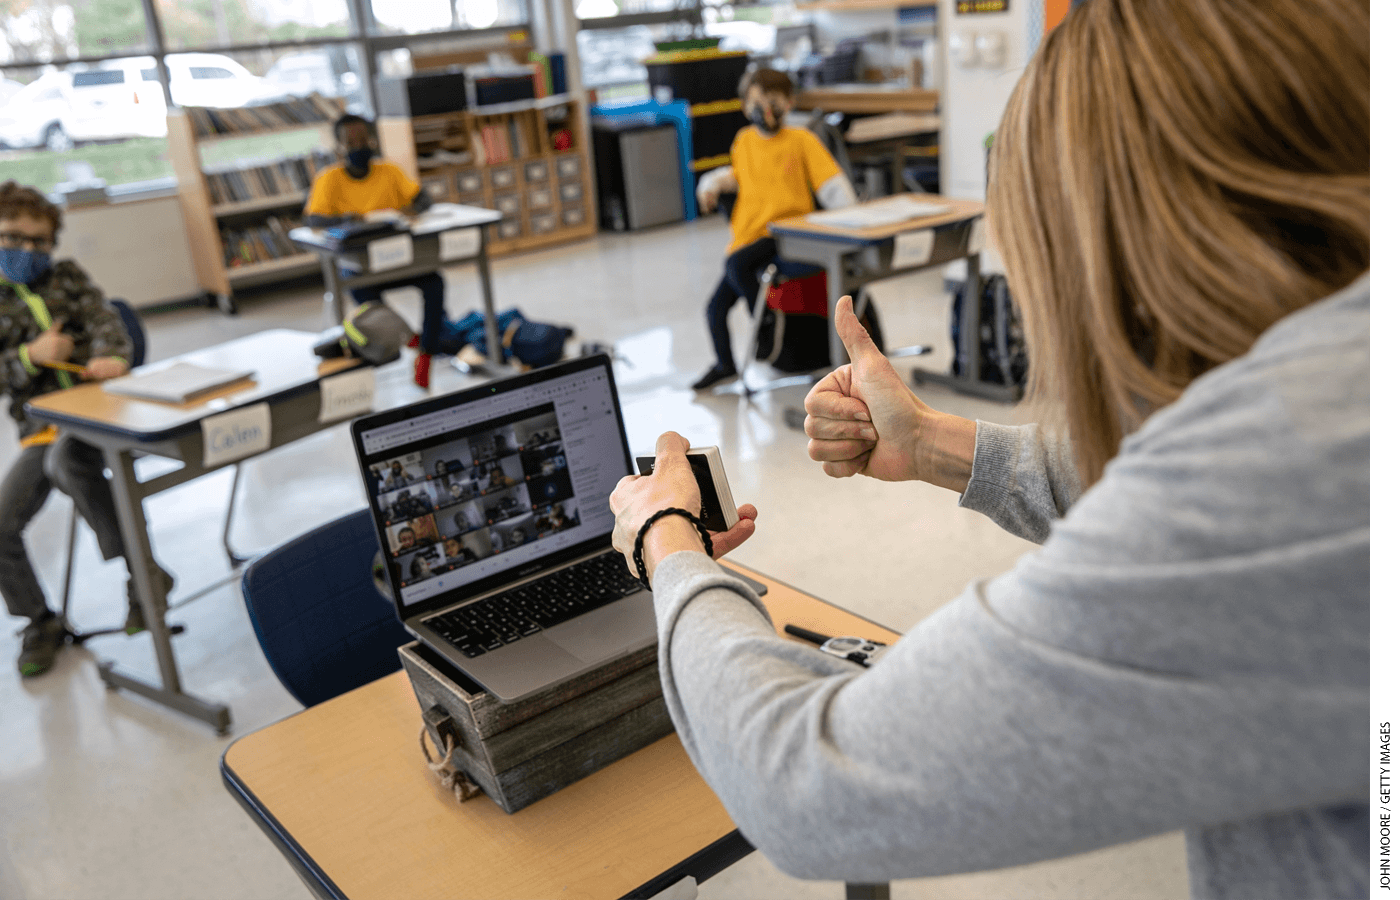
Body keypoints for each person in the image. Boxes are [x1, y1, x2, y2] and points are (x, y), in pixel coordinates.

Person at [608, 1, 1369, 895]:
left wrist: (668, 537)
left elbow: (809, 787)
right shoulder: (1329, 391)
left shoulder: (1279, 477)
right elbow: (1144, 481)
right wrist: (933, 442)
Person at [0, 181, 176, 676]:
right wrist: (27, 357)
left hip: (102, 414)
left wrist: (110, 356)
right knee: (2, 522)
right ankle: (39, 620)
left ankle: (142, 581)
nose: (26, 250)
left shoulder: (67, 278)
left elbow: (107, 320)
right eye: (12, 237)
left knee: (68, 463)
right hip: (43, 428)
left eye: (38, 242)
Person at [689, 68, 857, 391]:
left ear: (789, 103)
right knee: (715, 307)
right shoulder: (744, 141)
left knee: (736, 265)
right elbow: (736, 176)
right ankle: (726, 365)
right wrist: (709, 184)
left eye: (772, 101)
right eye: (754, 101)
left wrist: (851, 221)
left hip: (785, 233)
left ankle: (764, 319)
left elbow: (832, 185)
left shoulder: (801, 139)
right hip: (748, 237)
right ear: (743, 106)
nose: (764, 109)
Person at [304, 113, 445, 388]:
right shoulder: (329, 179)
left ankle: (426, 353)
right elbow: (313, 220)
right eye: (350, 141)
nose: (359, 146)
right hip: (362, 266)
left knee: (435, 283)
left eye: (363, 139)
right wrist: (348, 218)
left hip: (400, 260)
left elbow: (424, 198)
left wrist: (413, 209)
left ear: (372, 140)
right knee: (361, 293)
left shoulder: (389, 171)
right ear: (339, 147)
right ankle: (410, 339)